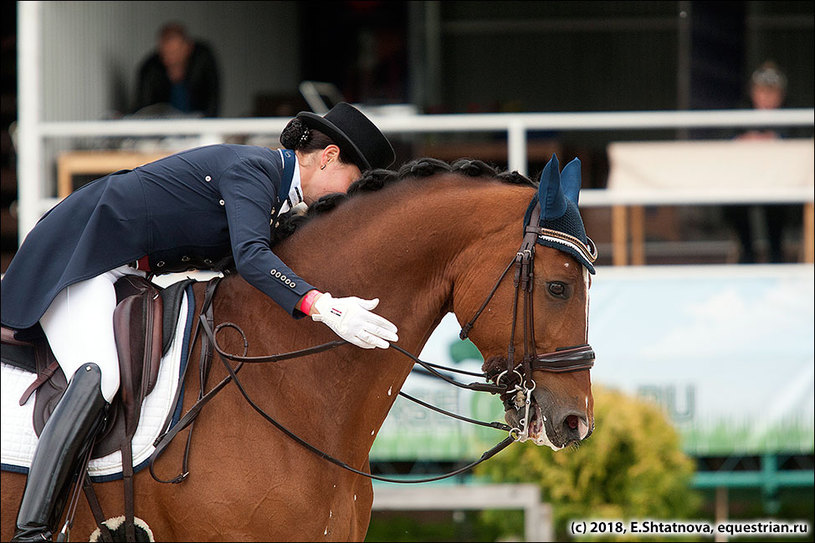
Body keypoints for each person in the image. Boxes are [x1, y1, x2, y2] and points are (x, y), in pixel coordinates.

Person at [1, 102, 399, 541]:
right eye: (353, 181)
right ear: (327, 157)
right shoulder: (254, 170)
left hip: (126, 268)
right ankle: (31, 528)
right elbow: (250, 257)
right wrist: (322, 306)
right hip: (83, 259)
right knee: (100, 372)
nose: (348, 196)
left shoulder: (273, 196)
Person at [725, 61, 797, 263]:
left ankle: (776, 253)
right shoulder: (740, 113)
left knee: (778, 205)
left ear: (781, 95)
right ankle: (746, 252)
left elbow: (798, 142)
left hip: (780, 182)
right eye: (762, 92)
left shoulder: (793, 115)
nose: (766, 98)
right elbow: (725, 139)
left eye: (772, 92)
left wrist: (774, 139)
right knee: (734, 202)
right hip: (744, 181)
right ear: (753, 93)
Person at [134, 21, 220, 117]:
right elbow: (143, 108)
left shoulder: (203, 62)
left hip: (198, 123)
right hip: (163, 126)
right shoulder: (150, 69)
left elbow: (212, 103)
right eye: (165, 53)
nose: (169, 59)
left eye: (174, 53)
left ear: (188, 48)